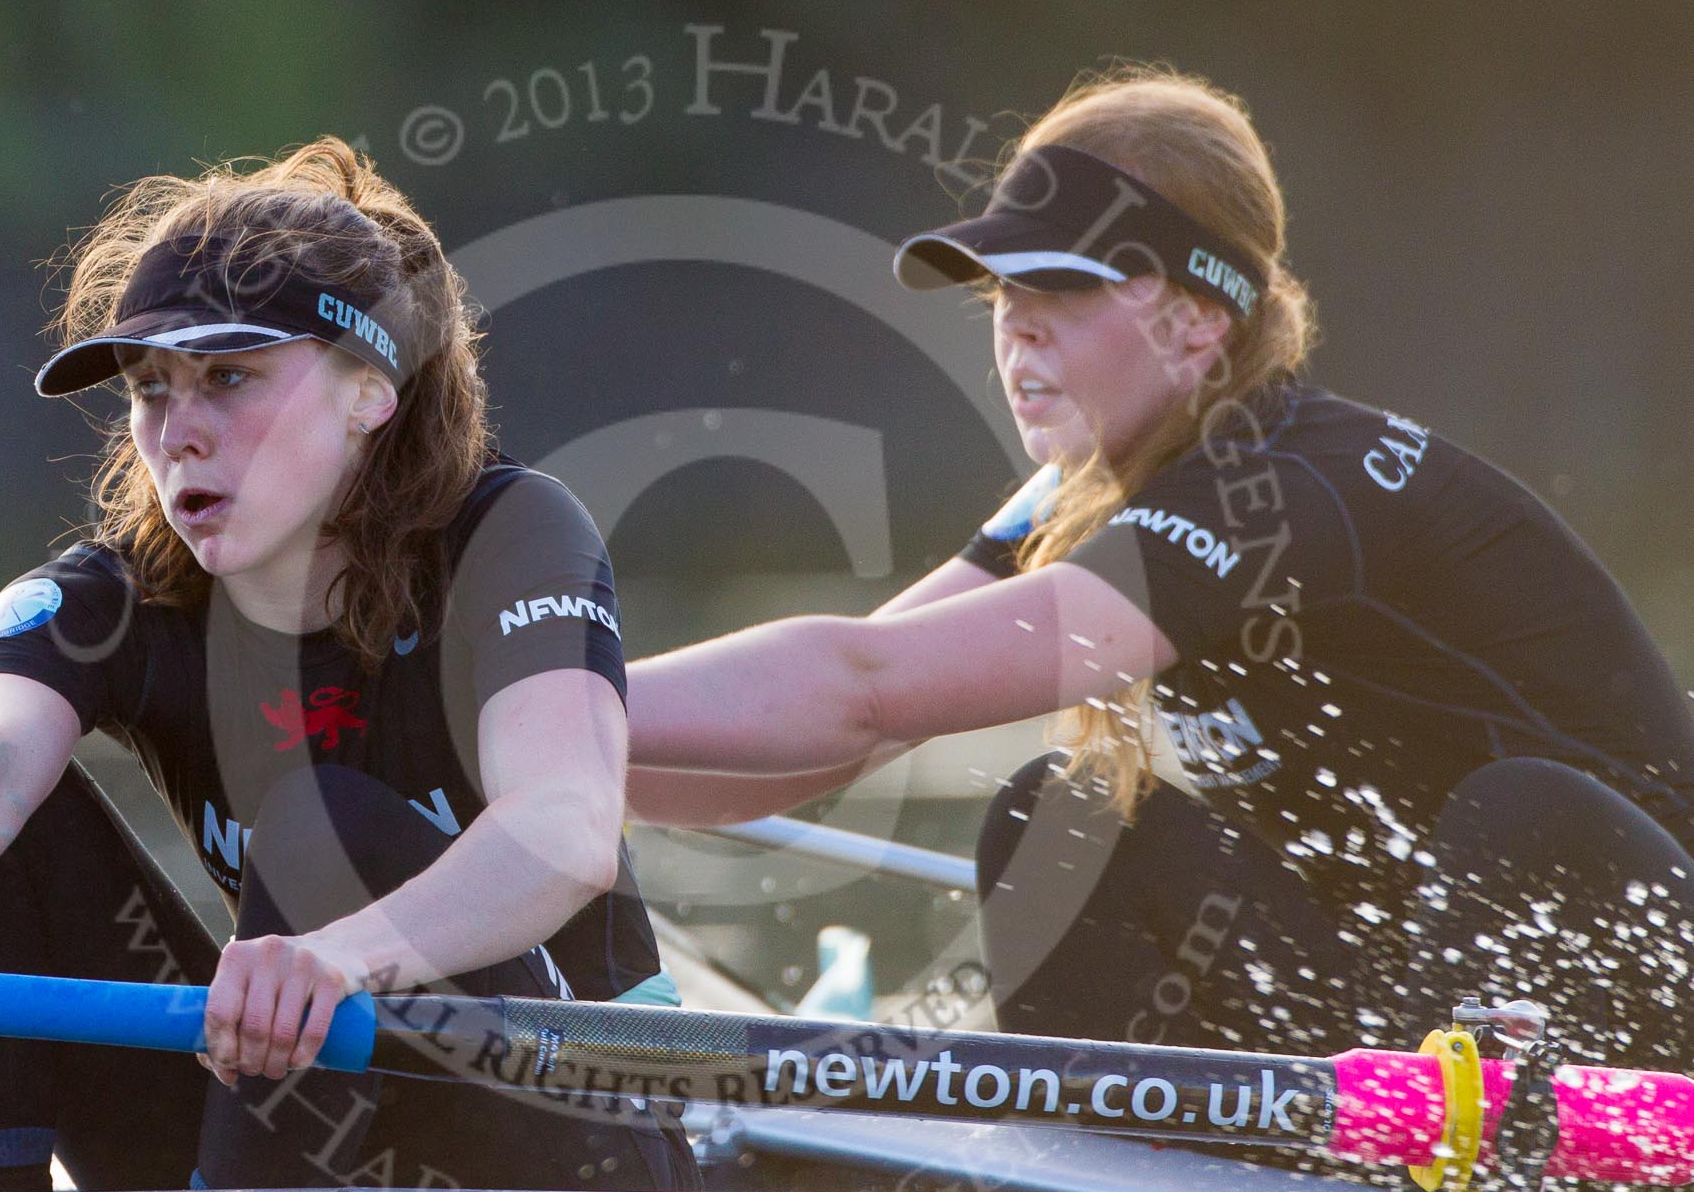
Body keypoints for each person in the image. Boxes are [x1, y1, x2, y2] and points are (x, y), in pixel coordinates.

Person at [625, 69, 1694, 1074]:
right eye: (1002, 288)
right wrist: (530, 775)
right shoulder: (1081, 492)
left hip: (1638, 983)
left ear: (1197, 321)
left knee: (1522, 812)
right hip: (1432, 1010)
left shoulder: (1272, 490)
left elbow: (860, 684)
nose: (1017, 323)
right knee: (1063, 817)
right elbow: (825, 738)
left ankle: (1427, 1189)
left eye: (1061, 285)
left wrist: (531, 691)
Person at [0, 137, 698, 1192]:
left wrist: (343, 956)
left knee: (331, 824)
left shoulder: (514, 537)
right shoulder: (108, 599)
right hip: (291, 1105)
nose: (178, 433)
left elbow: (566, 824)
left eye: (230, 376)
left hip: (578, 1134)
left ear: (370, 389)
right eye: (150, 388)